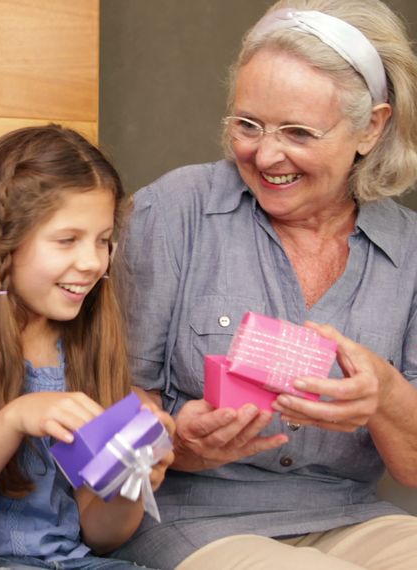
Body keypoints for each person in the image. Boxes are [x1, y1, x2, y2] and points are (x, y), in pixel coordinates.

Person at [113, 1, 417, 568]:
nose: (266, 154)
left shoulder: (410, 252)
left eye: (298, 132)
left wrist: (385, 392)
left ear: (370, 127)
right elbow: (113, 399)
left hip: (349, 513)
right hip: (192, 520)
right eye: (248, 125)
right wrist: (179, 443)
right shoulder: (174, 211)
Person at [0, 124, 175, 569]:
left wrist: (128, 483)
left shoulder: (89, 331)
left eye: (102, 241)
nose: (92, 263)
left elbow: (99, 534)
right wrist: (16, 418)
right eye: (67, 240)